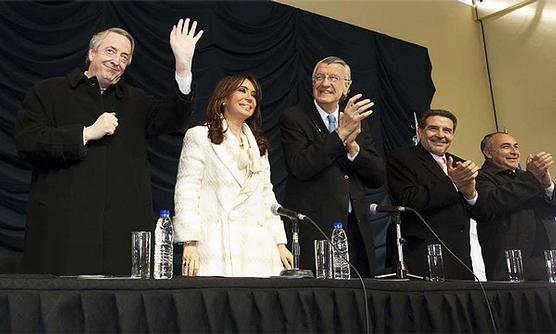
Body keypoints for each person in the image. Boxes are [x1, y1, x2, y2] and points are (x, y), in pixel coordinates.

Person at [14, 18, 203, 275]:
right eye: (110, 51)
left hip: (119, 240)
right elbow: (28, 140)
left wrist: (183, 67)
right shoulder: (49, 92)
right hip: (64, 237)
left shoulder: (135, 102)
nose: (117, 61)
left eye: (125, 57)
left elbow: (174, 119)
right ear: (91, 53)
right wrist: (85, 133)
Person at [174, 74, 293, 277]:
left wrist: (280, 243)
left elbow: (267, 196)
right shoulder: (200, 137)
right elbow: (187, 192)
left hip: (258, 249)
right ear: (223, 99)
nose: (250, 98)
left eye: (254, 95)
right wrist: (190, 242)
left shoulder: (258, 146)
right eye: (242, 90)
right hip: (217, 246)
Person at [279, 56, 385, 277]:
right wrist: (340, 135)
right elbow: (302, 166)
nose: (325, 83)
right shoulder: (295, 117)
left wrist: (353, 146)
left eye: (333, 78)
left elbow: (377, 176)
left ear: (346, 87)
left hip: (355, 228)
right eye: (319, 77)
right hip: (316, 229)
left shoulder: (357, 121)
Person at [386, 109, 481, 279]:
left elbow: (477, 211)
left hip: (460, 256)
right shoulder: (402, 158)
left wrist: (470, 194)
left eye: (447, 130)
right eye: (433, 129)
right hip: (423, 255)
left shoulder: (460, 164)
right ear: (420, 132)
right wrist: (452, 183)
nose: (440, 135)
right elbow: (409, 200)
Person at [476, 132, 556, 280]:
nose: (514, 152)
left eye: (516, 147)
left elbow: (551, 209)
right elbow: (492, 202)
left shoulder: (527, 177)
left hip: (549, 259)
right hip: (514, 265)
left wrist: (547, 185)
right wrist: (531, 176)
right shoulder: (480, 177)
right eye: (506, 147)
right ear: (488, 153)